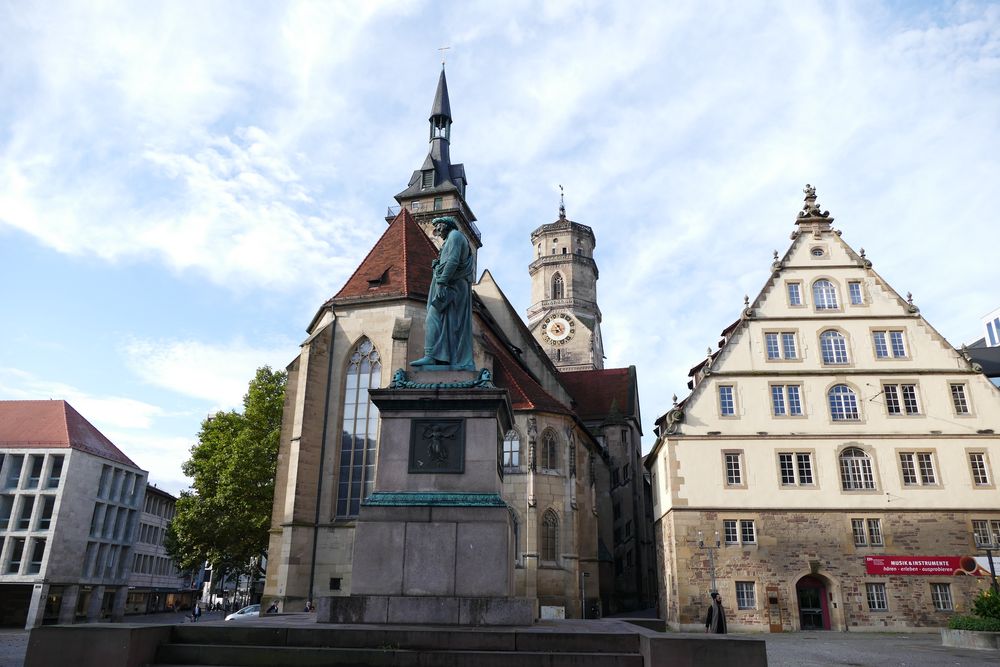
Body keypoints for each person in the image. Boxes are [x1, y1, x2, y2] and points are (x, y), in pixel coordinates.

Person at [410, 216, 476, 371]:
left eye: (438, 226)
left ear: (446, 225)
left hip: (450, 286)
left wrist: (442, 282)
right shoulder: (451, 240)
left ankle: (431, 355)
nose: (437, 230)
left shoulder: (455, 236)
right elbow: (450, 261)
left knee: (433, 315)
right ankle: (444, 357)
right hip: (453, 285)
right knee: (449, 322)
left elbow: (453, 261)